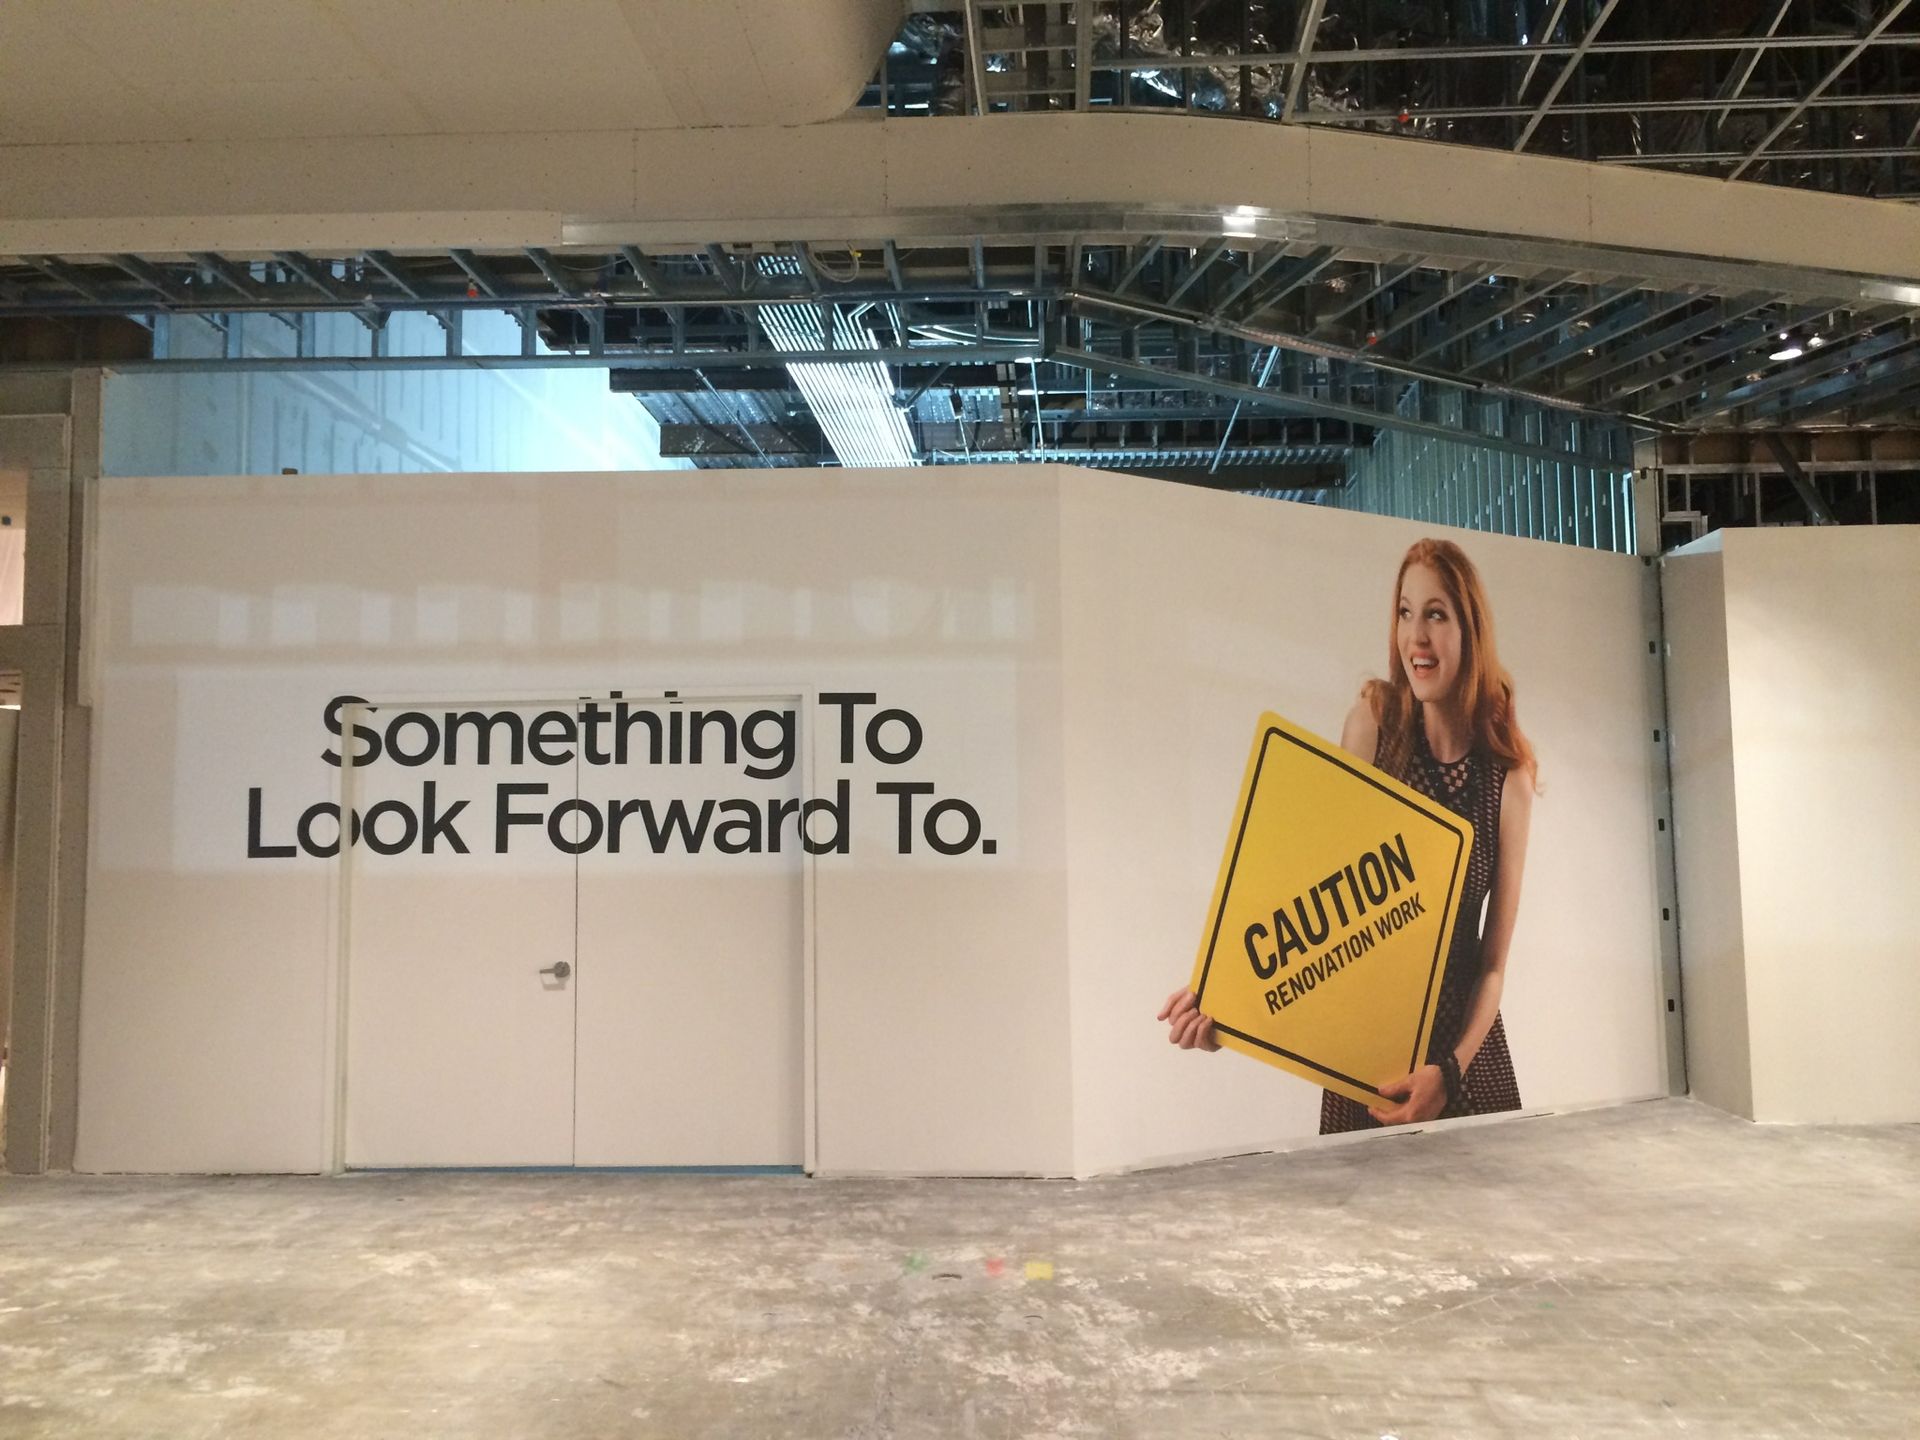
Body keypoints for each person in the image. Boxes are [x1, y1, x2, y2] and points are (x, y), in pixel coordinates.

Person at [1158, 537, 1537, 1131]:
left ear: (1471, 630)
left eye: (1435, 615)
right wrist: (1226, 1003)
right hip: (1369, 1072)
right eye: (1405, 613)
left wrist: (1451, 1073)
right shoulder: (1373, 725)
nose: (1416, 637)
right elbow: (1316, 901)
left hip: (1466, 1070)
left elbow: (1491, 965)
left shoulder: (1506, 776)